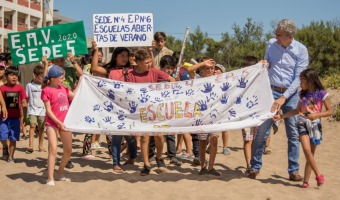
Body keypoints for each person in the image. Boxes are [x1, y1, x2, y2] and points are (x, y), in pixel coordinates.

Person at [248, 19, 309, 181]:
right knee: (261, 132)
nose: (275, 36)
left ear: (290, 36)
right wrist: (263, 64)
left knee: (293, 134)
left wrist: (284, 97)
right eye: (276, 33)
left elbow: (299, 78)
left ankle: (293, 171)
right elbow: (267, 64)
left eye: (279, 34)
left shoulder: (301, 50)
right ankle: (254, 167)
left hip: (291, 95)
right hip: (270, 92)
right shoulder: (271, 44)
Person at [273, 69, 332, 188]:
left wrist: (317, 115)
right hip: (302, 123)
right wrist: (282, 116)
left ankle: (306, 181)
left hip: (315, 125)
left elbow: (330, 111)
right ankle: (318, 174)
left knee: (311, 154)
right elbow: (297, 111)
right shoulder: (301, 94)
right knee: (306, 149)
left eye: (302, 81)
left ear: (309, 81)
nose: (300, 84)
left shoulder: (321, 93)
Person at [127, 49, 175, 176]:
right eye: (146, 62)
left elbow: (172, 80)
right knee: (144, 138)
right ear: (137, 63)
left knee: (159, 135)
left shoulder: (154, 71)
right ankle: (146, 164)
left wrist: (166, 93)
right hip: (141, 110)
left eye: (150, 61)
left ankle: (159, 158)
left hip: (156, 109)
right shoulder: (131, 75)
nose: (149, 64)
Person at [91, 41, 137, 173]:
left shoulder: (133, 70)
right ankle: (116, 163)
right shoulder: (110, 70)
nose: (124, 58)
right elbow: (94, 68)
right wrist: (96, 49)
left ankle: (132, 157)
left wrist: (150, 51)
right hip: (115, 108)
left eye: (126, 55)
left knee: (131, 136)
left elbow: (151, 70)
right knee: (116, 137)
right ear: (115, 56)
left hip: (129, 108)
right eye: (121, 55)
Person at [41, 65, 76, 186]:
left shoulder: (64, 88)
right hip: (52, 123)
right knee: (54, 149)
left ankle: (60, 173)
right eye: (61, 77)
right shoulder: (46, 90)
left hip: (65, 123)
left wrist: (83, 81)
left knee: (68, 150)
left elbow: (75, 96)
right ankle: (50, 178)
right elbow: (48, 111)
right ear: (52, 78)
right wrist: (59, 123)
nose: (63, 79)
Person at [187, 58, 221, 176]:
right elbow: (189, 70)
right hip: (202, 116)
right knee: (202, 141)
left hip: (215, 115)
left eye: (212, 68)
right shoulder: (198, 80)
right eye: (207, 68)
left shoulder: (219, 80)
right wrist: (203, 64)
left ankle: (211, 167)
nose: (210, 70)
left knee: (214, 140)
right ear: (201, 70)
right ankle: (203, 167)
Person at [0, 66, 27, 162]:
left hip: (15, 118)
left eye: (16, 75)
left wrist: (24, 114)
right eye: (11, 75)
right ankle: (5, 147)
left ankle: (11, 156)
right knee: (3, 136)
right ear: (6, 76)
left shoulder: (20, 88)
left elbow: (24, 101)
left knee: (13, 138)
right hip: (3, 118)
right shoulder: (2, 88)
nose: (14, 77)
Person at [26, 65, 46, 153]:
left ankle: (40, 145)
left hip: (43, 110)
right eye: (40, 76)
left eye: (43, 76)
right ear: (35, 75)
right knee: (32, 126)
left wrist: (45, 64)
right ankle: (30, 145)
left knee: (42, 128)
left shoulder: (45, 86)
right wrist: (25, 110)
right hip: (32, 109)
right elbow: (27, 98)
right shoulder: (30, 85)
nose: (42, 78)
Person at [214, 64, 231, 155]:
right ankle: (212, 145)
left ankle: (225, 147)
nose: (215, 70)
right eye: (215, 69)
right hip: (214, 107)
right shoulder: (211, 80)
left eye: (218, 69)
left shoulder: (226, 81)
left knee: (224, 128)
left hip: (224, 106)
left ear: (222, 71)